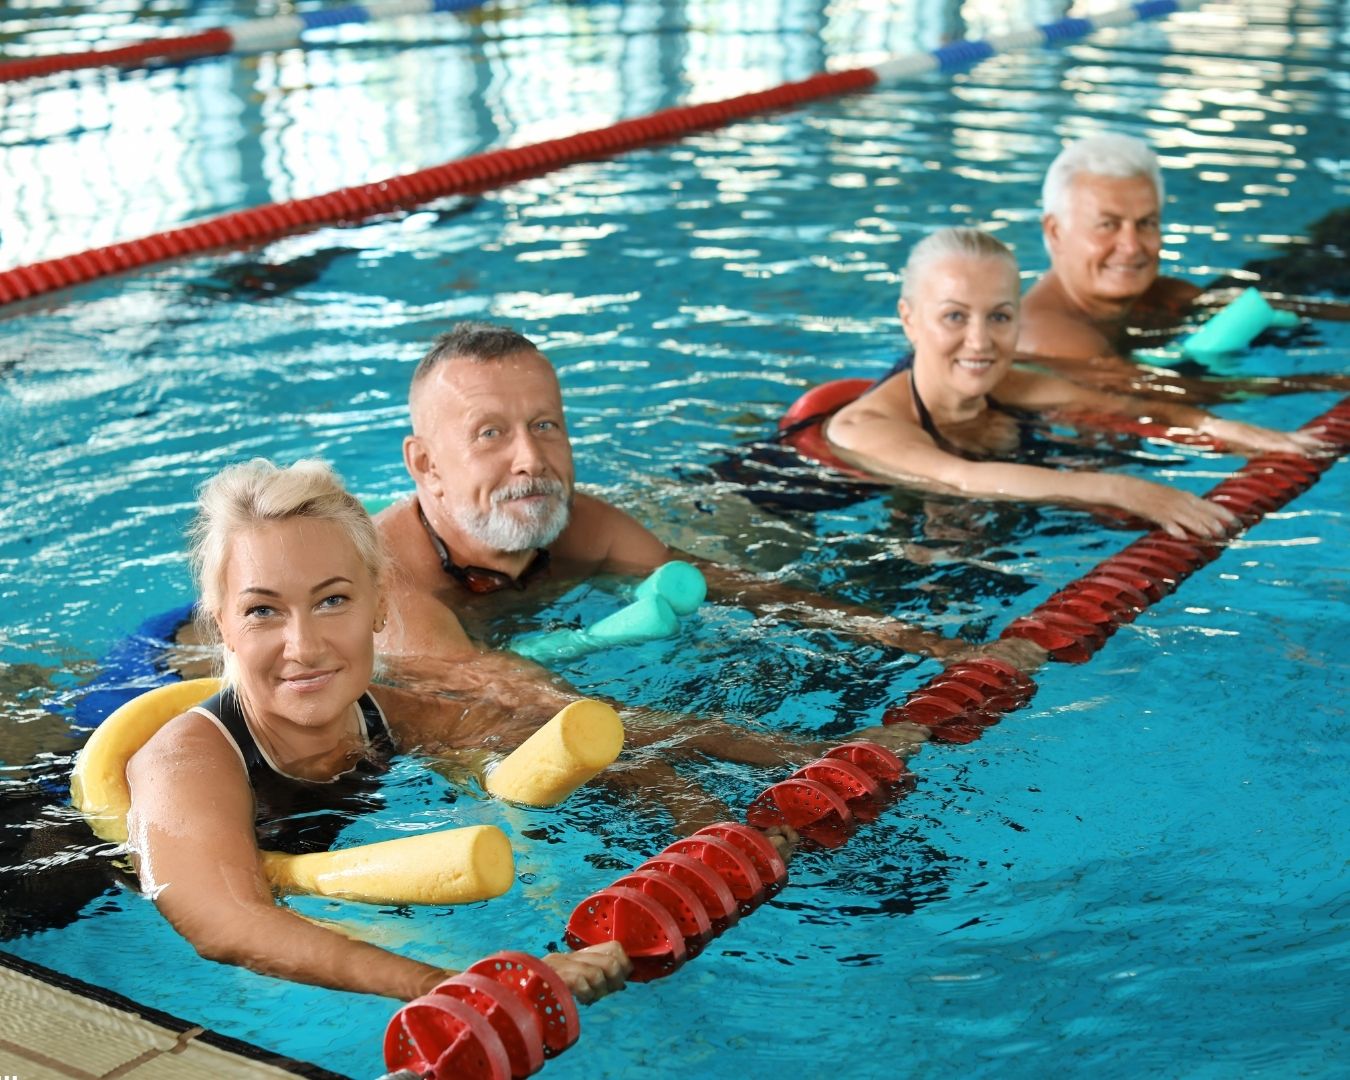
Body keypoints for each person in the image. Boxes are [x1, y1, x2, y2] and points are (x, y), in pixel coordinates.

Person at [125, 458, 631, 1002]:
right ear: (221, 623)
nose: (305, 647)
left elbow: (537, 735)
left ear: (379, 604)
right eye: (263, 610)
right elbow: (226, 924)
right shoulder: (185, 762)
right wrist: (464, 988)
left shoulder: (388, 714)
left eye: (332, 600)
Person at [375, 322, 1020, 698]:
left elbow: (735, 589)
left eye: (546, 425)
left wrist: (923, 642)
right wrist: (794, 757)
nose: (531, 459)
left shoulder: (580, 528)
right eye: (491, 434)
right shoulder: (389, 591)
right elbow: (529, 706)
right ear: (425, 465)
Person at [821, 228, 1325, 538]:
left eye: (999, 317)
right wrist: (1122, 490)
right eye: (954, 316)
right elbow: (962, 479)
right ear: (908, 319)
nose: (980, 342)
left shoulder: (1008, 384)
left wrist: (1233, 431)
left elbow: (1125, 405)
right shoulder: (868, 426)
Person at [1018, 133, 1350, 400]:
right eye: (1108, 225)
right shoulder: (1050, 338)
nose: (1132, 247)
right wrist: (1328, 383)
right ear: (1055, 232)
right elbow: (1175, 397)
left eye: (1147, 223)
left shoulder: (1160, 294)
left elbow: (1270, 305)